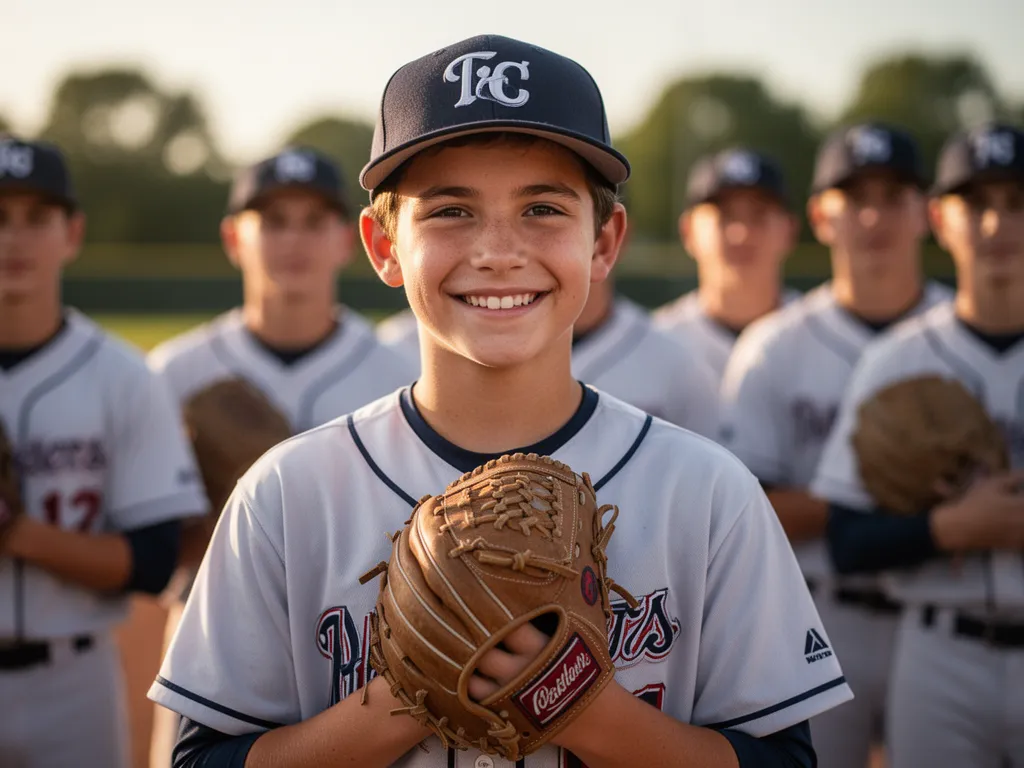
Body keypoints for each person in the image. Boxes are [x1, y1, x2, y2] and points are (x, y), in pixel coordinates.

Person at [149, 35, 851, 768]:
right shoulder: (286, 494)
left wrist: (574, 702)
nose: (498, 250)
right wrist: (409, 690)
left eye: (542, 207)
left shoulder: (708, 493)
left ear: (604, 242)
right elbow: (201, 759)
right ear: (384, 247)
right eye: (450, 211)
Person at [146, 147, 415, 767]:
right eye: (272, 220)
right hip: (210, 640)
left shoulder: (402, 372)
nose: (293, 239)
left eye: (314, 220)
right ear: (233, 238)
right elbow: (156, 553)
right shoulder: (173, 372)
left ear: (349, 240)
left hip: (365, 640)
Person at [719, 123, 952, 768]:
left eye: (893, 194)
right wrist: (888, 498)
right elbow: (749, 509)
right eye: (854, 197)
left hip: (946, 611)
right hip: (819, 615)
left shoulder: (963, 334)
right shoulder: (773, 345)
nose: (873, 215)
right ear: (822, 216)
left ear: (926, 214)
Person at [810, 122, 1024, 768]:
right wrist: (951, 527)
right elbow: (846, 543)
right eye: (977, 204)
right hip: (939, 654)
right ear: (939, 218)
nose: (996, 225)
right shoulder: (895, 359)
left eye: (1016, 204)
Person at [0, 135, 207, 767]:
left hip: (74, 683)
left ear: (73, 232)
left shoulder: (122, 375)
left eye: (37, 218)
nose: (15, 238)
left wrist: (15, 531)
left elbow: (150, 563)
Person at [653, 148, 800, 384]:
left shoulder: (818, 332)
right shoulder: (655, 342)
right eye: (725, 216)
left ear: (789, 230)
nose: (741, 233)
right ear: (688, 231)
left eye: (759, 215)